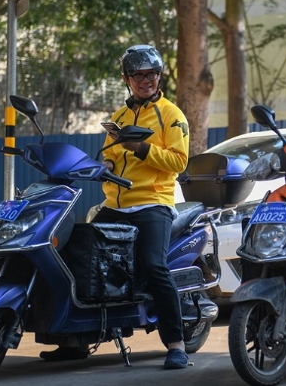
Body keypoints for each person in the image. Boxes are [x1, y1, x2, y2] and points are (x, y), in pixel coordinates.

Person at [40, 44, 191, 370]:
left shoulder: (171, 115)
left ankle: (176, 344)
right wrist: (102, 166)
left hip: (153, 202)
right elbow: (109, 154)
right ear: (126, 79)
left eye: (151, 74)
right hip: (115, 204)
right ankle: (76, 340)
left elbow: (179, 161)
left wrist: (140, 148)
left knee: (154, 266)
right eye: (138, 75)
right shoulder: (119, 118)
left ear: (159, 76)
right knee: (77, 257)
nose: (146, 81)